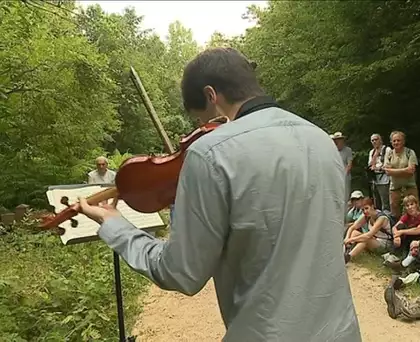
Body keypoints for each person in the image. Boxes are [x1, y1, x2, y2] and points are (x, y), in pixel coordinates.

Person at [76, 47, 361, 341]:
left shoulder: (211, 153)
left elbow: (180, 273)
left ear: (212, 95)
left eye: (203, 119)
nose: (206, 128)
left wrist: (115, 226)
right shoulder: (322, 140)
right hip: (341, 332)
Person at [343, 197, 394, 264]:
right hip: (374, 240)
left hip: (385, 244)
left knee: (365, 240)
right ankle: (347, 250)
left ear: (372, 206)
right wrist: (347, 238)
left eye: (367, 208)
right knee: (354, 232)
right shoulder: (366, 216)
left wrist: (351, 240)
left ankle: (347, 257)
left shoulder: (381, 218)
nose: (365, 211)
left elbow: (368, 235)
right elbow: (352, 227)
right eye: (363, 210)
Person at [383, 130, 418, 218]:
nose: (396, 142)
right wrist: (405, 170)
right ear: (391, 142)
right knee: (395, 213)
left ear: (403, 141)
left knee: (414, 211)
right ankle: (397, 230)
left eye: (398, 140)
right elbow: (387, 171)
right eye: (394, 141)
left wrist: (393, 171)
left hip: (410, 187)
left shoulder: (410, 152)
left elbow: (411, 171)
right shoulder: (389, 154)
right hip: (394, 188)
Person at [368, 134, 391, 212]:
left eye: (376, 139)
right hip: (374, 179)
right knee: (376, 202)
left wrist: (377, 168)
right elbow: (370, 165)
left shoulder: (387, 150)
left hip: (385, 179)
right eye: (372, 140)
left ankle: (387, 218)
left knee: (385, 202)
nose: (374, 141)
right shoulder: (372, 152)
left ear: (380, 140)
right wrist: (375, 155)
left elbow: (387, 166)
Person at [331, 132, 353, 204]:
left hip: (344, 177)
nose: (336, 141)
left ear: (342, 140)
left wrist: (343, 175)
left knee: (345, 196)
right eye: (335, 140)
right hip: (334, 176)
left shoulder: (348, 150)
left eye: (338, 139)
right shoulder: (332, 151)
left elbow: (349, 164)